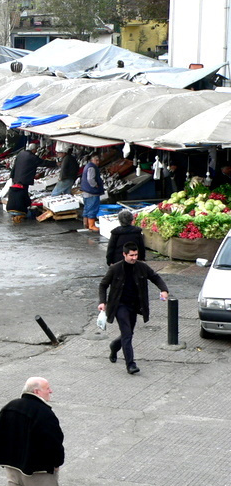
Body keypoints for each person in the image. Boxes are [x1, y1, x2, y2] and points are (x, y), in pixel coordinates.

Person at [98, 242, 169, 375]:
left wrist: (164, 290)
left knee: (129, 333)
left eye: (136, 255)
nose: (134, 258)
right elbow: (103, 285)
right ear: (124, 254)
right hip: (119, 305)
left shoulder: (142, 267)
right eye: (131, 255)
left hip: (134, 306)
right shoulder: (115, 269)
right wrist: (102, 302)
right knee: (127, 334)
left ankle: (114, 346)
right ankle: (130, 364)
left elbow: (155, 277)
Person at [80, 153, 104, 232]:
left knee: (87, 208)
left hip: (86, 192)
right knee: (92, 208)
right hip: (91, 192)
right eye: (96, 160)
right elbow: (90, 179)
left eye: (98, 160)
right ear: (91, 160)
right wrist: (95, 185)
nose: (97, 162)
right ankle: (91, 225)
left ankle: (86, 224)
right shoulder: (92, 168)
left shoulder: (88, 166)